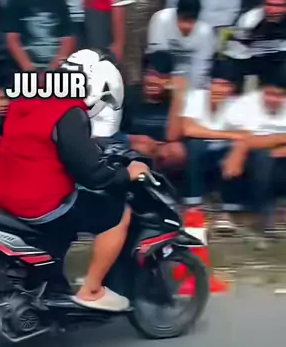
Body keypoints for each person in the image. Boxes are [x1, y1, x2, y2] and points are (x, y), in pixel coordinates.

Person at [0, 49, 150, 312]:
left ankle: (51, 280)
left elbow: (41, 142)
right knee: (118, 215)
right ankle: (92, 290)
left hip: (5, 194)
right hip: (40, 204)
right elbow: (93, 175)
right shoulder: (69, 111)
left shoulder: (29, 92)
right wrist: (126, 173)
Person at [221, 66, 286, 237]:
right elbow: (244, 140)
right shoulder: (246, 104)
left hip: (279, 160)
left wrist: (272, 143)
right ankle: (262, 214)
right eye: (269, 94)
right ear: (262, 91)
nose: (274, 100)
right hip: (248, 161)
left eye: (280, 96)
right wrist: (278, 141)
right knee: (262, 158)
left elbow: (252, 141)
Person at [181, 58, 244, 228]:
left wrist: (231, 138)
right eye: (215, 83)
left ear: (232, 88)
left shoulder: (238, 103)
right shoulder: (196, 96)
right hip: (200, 149)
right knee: (194, 145)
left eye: (224, 85)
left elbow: (244, 135)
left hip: (224, 150)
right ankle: (193, 204)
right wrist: (229, 135)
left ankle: (227, 210)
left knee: (236, 151)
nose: (218, 89)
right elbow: (188, 129)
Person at [121, 51, 186, 175]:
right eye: (150, 74)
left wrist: (179, 95)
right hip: (134, 146)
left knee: (177, 150)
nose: (154, 80)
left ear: (169, 80)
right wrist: (137, 139)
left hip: (162, 149)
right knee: (142, 148)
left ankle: (166, 183)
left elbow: (174, 137)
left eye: (161, 76)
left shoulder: (174, 100)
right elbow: (115, 133)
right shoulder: (129, 95)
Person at [147, 0, 215, 88]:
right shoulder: (161, 19)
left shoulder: (205, 31)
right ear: (177, 14)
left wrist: (190, 90)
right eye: (183, 19)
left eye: (191, 21)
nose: (186, 26)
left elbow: (201, 68)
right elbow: (158, 59)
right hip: (164, 80)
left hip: (192, 84)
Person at [226, 0, 286, 81]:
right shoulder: (249, 20)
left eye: (280, 6)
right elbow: (236, 54)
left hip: (280, 59)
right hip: (250, 60)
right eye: (269, 4)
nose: (274, 10)